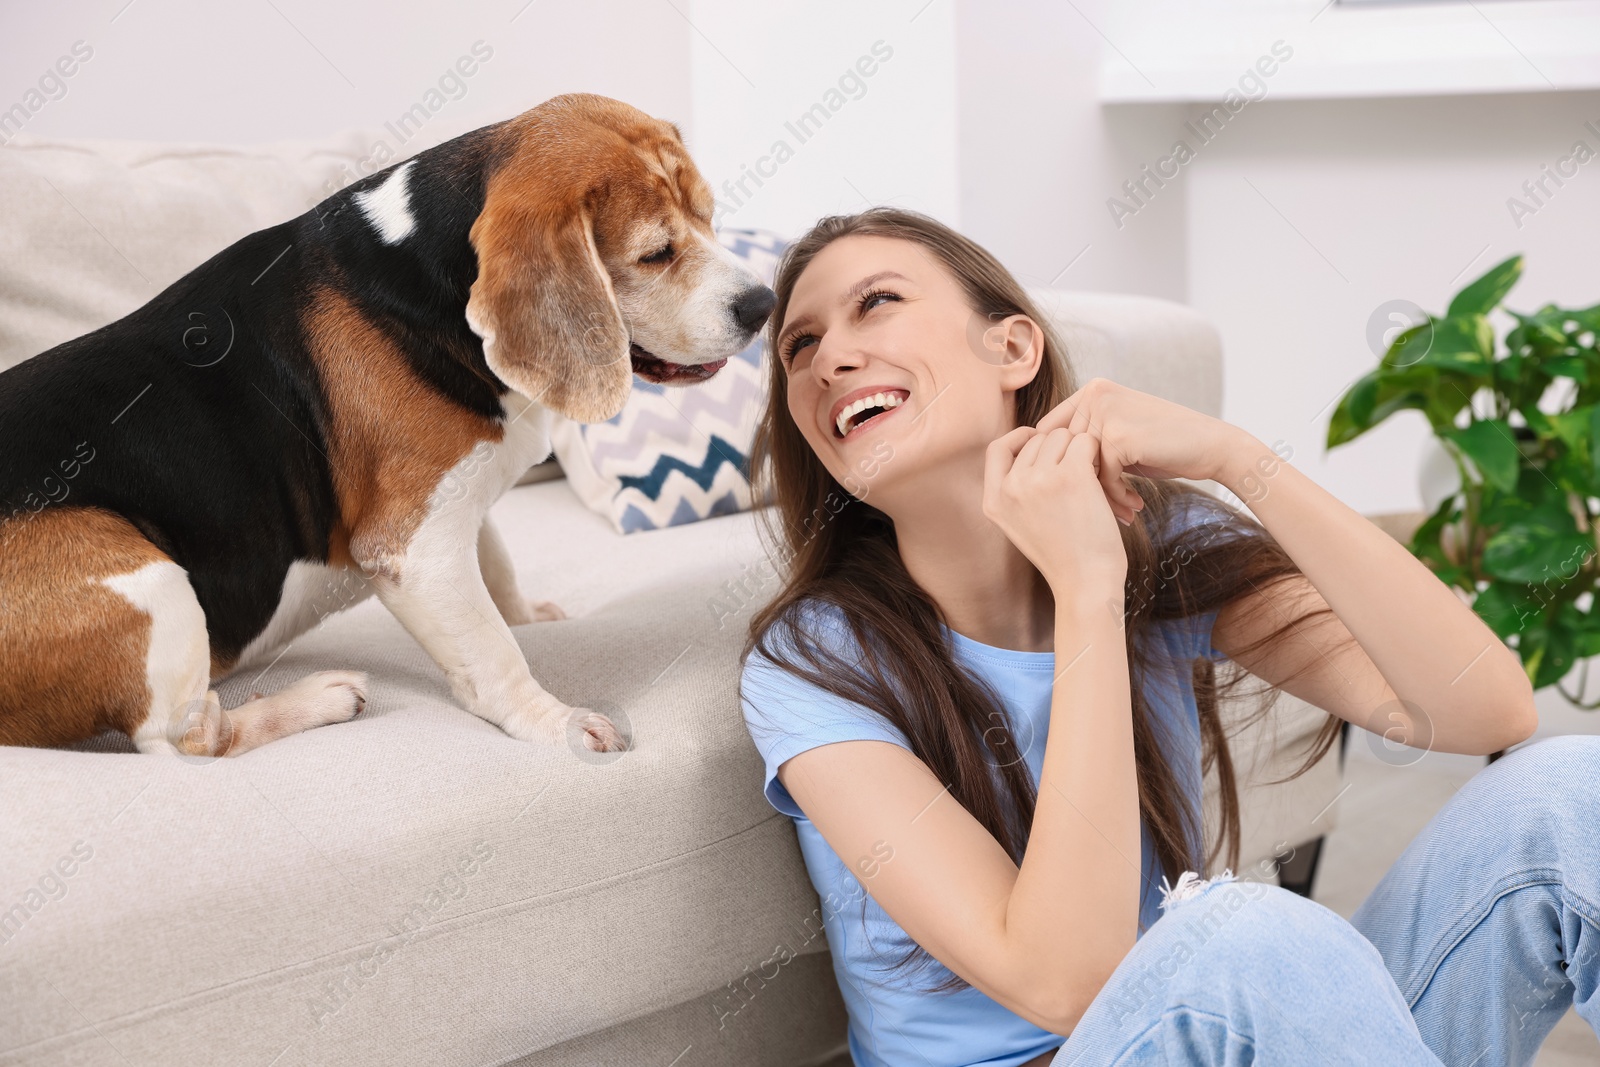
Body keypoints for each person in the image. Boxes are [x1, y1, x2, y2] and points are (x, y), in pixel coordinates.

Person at [736, 205, 1600, 1066]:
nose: (827, 360)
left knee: (1569, 791)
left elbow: (1486, 712)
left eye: (875, 302)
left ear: (1012, 350)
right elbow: (1068, 981)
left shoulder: (1160, 544)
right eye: (798, 347)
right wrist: (1084, 585)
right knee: (1243, 934)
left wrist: (1236, 458)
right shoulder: (812, 663)